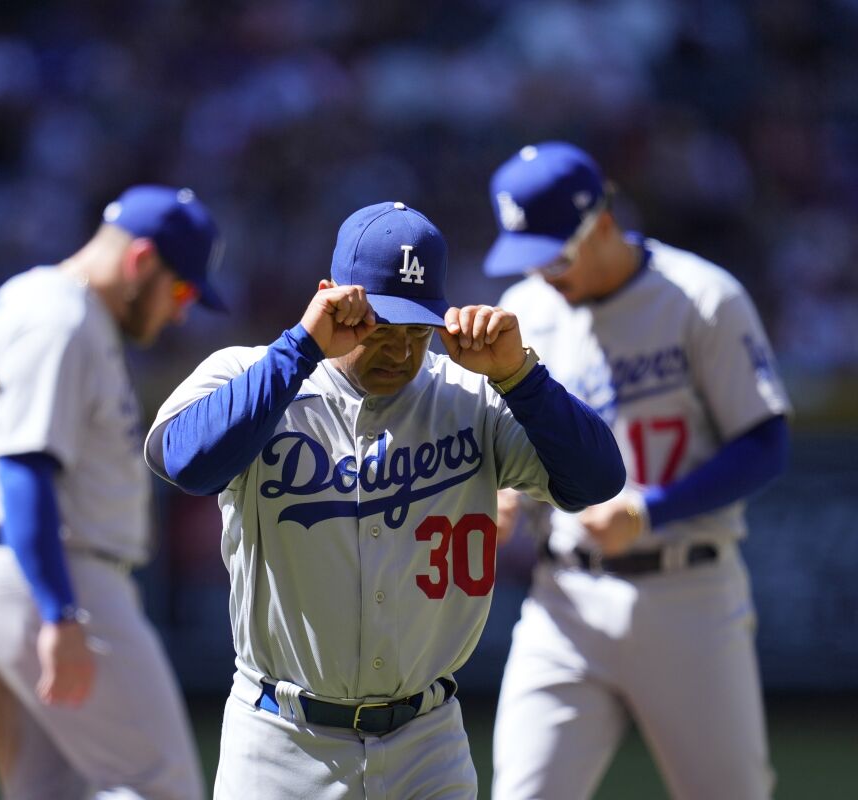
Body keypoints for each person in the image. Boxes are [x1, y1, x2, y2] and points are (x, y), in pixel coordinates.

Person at [143, 200, 626, 799]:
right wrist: (299, 348)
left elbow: (596, 481)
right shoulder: (255, 375)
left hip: (428, 743)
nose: (399, 351)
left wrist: (521, 378)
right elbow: (182, 463)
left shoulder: (471, 397)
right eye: (379, 327)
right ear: (332, 298)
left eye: (416, 331)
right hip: (280, 741)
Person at [482, 142, 791, 800]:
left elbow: (765, 441)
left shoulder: (701, 297)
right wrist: (504, 491)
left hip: (688, 592)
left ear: (600, 224)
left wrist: (649, 510)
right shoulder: (524, 313)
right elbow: (513, 449)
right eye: (527, 257)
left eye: (553, 254)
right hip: (563, 597)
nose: (541, 273)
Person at [0, 185, 224, 799]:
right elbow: (24, 469)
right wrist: (59, 612)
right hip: (58, 579)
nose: (182, 311)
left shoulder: (25, 301)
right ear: (141, 261)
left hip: (15, 574)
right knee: (162, 785)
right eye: (182, 289)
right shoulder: (63, 320)